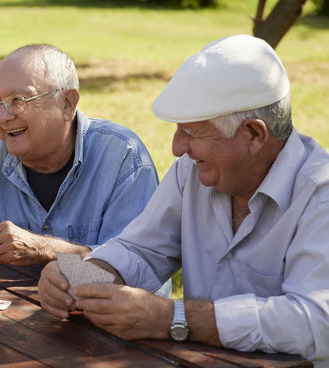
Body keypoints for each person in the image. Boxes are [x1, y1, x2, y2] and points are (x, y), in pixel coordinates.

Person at [38, 35, 329, 365]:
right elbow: (141, 249)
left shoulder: (321, 194)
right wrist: (80, 276)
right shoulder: (191, 172)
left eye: (193, 132)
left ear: (253, 135)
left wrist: (172, 317)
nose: (177, 147)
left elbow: (316, 321)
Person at [0, 44, 169, 296]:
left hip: (98, 337)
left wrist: (45, 250)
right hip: (13, 330)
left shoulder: (122, 157)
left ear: (67, 103)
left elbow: (138, 274)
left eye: (18, 100)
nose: (3, 117)